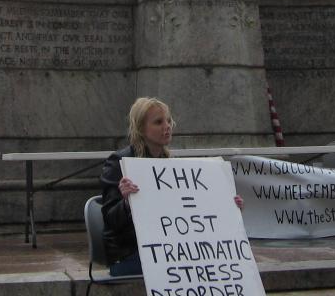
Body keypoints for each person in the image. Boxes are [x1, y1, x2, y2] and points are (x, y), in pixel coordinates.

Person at [100, 97, 243, 276]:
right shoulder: (119, 163)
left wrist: (227, 208)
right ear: (141, 128)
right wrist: (127, 202)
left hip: (168, 250)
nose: (167, 126)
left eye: (168, 121)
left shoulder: (172, 166)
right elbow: (110, 220)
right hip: (129, 252)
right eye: (158, 122)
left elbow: (190, 211)